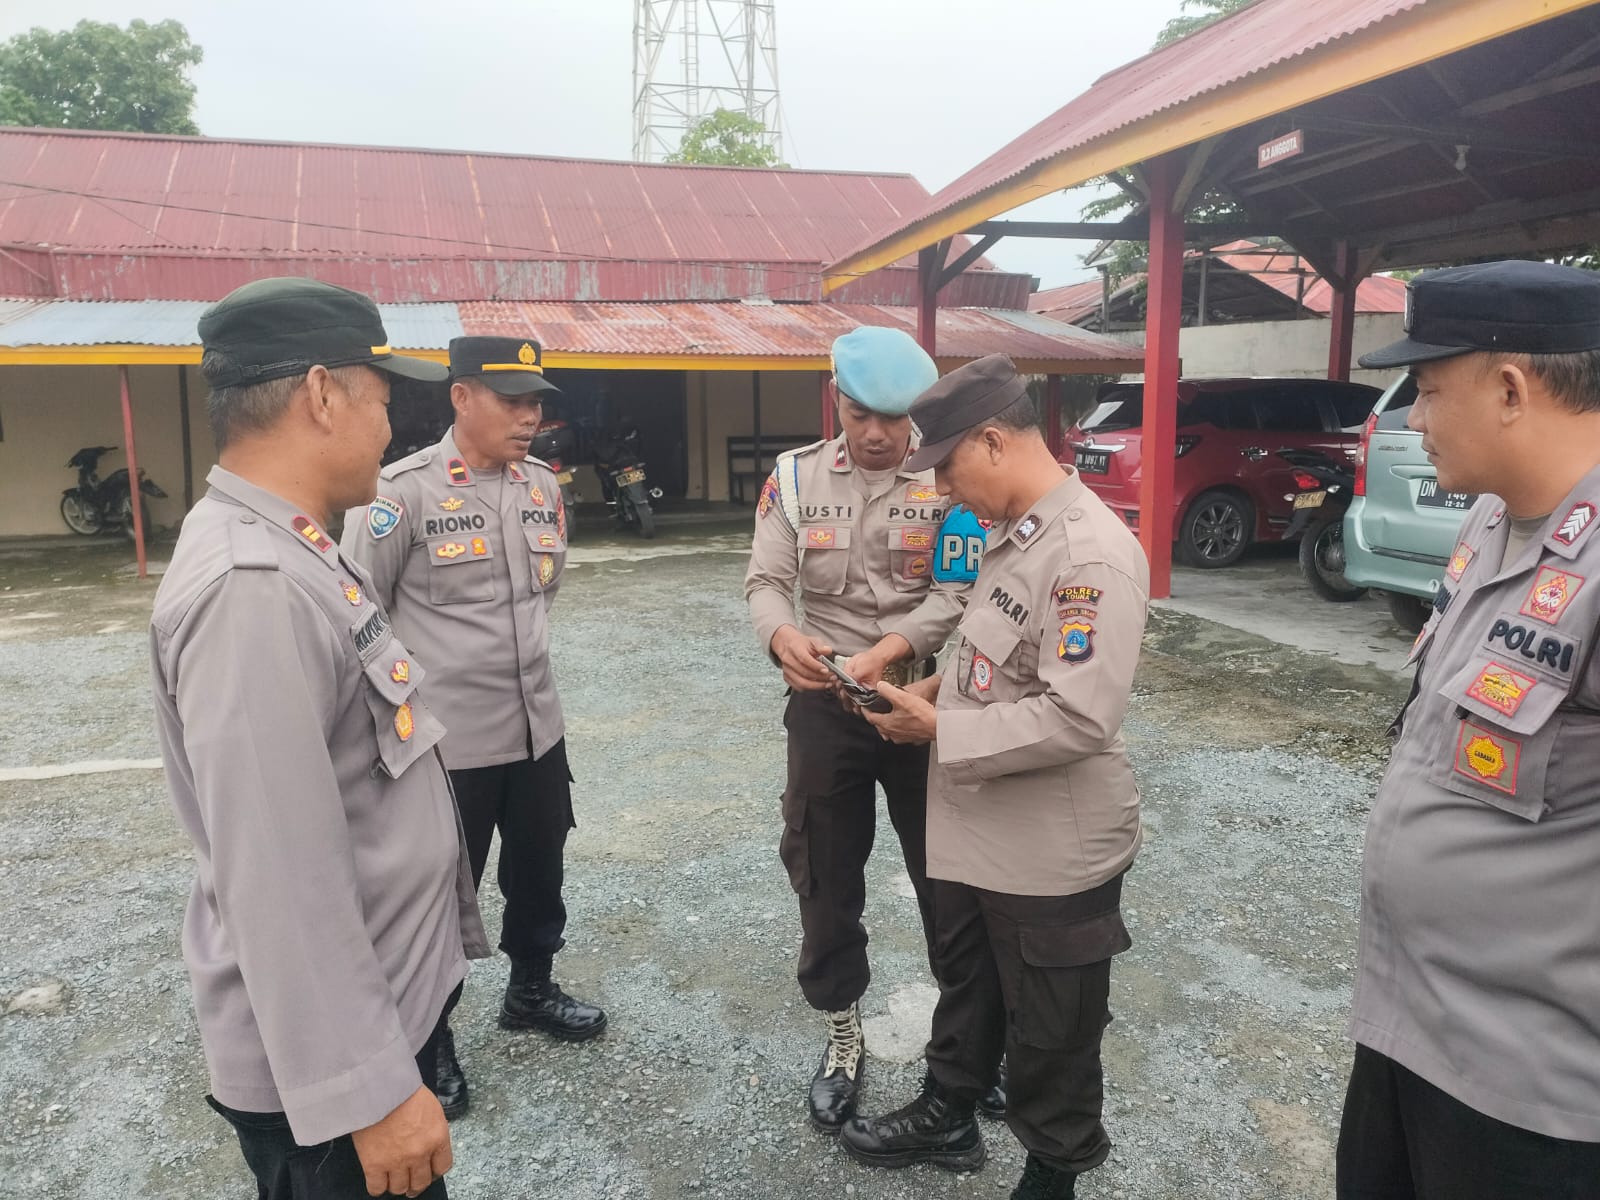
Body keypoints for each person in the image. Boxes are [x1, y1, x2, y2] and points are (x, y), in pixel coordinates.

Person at [150, 277, 488, 1199]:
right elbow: (278, 870)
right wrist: (371, 1091)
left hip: (369, 1017)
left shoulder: (296, 543)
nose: (391, 427)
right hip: (336, 1085)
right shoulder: (251, 584)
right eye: (382, 400)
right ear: (320, 394)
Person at [840, 354, 1149, 1200]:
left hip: (1052, 845)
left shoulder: (1088, 555)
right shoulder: (1018, 536)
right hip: (980, 823)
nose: (940, 486)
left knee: (1052, 1027)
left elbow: (1081, 716)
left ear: (991, 439)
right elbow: (987, 655)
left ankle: (1054, 1167)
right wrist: (926, 688)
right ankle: (950, 1107)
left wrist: (941, 729)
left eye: (945, 465)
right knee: (969, 985)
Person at [1336, 260, 1600, 1198]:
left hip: (1530, 1092)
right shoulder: (1494, 520)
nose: (1413, 419)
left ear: (1510, 388)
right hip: (1410, 1024)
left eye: (1430, 390)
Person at [342, 336, 606, 1123]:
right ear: (462, 398)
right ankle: (430, 1038)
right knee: (437, 896)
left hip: (536, 728)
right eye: (514, 401)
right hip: (448, 742)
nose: (531, 417)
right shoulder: (404, 493)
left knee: (539, 867)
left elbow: (539, 601)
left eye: (537, 403)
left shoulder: (541, 487)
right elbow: (357, 608)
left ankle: (531, 990)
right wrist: (405, 711)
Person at [744, 326, 995, 1133]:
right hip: (826, 707)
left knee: (951, 882)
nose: (879, 434)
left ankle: (964, 1050)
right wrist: (783, 638)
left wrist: (889, 652)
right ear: (837, 403)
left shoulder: (950, 479)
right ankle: (842, 1035)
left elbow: (958, 593)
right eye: (860, 415)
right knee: (824, 874)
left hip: (923, 701)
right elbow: (766, 582)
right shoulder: (792, 478)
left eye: (893, 418)